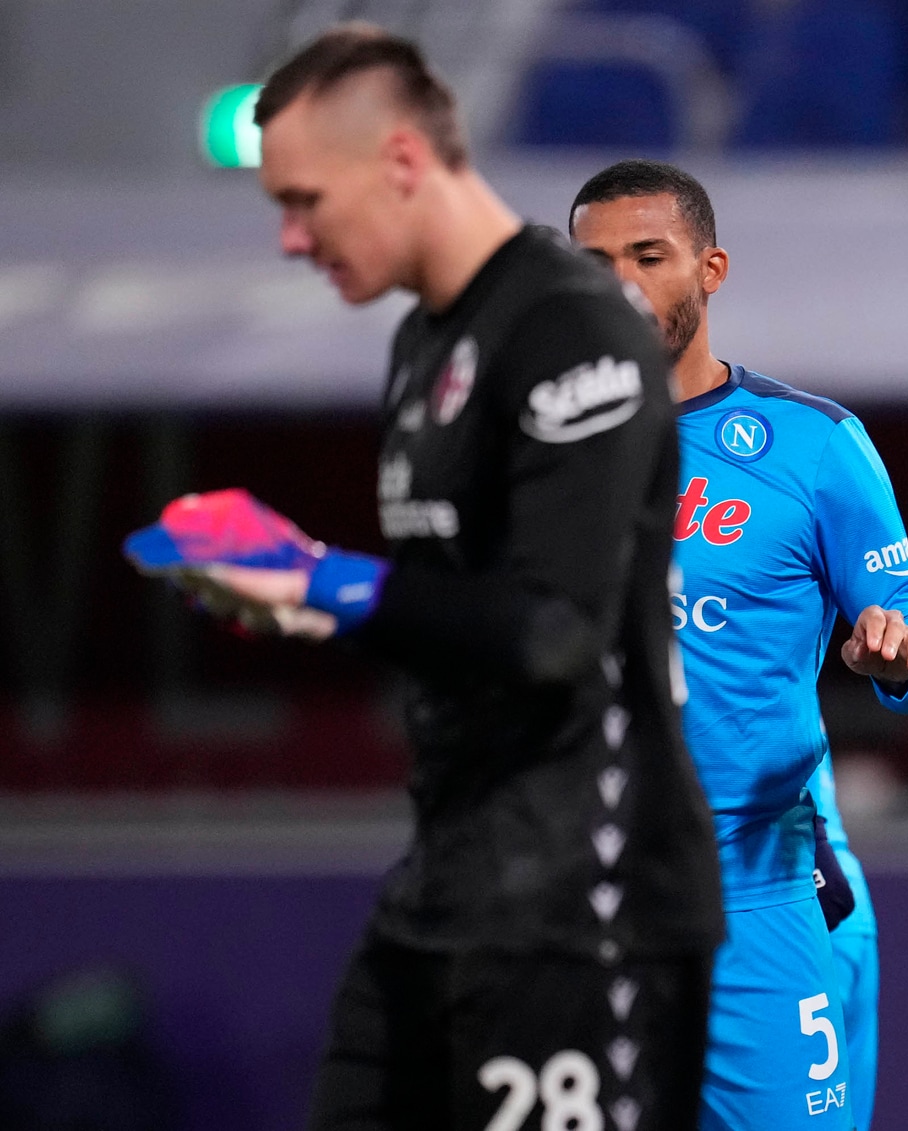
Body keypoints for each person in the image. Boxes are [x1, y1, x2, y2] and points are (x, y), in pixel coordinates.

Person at [173, 26, 725, 1130]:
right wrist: (298, 603)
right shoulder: (423, 344)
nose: (290, 239)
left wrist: (321, 580)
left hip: (583, 905)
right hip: (447, 882)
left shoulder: (573, 330)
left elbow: (552, 630)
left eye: (304, 201)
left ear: (401, 161)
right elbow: (450, 611)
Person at [570, 159, 908, 1131]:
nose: (620, 283)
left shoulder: (811, 444)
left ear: (711, 269)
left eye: (647, 256)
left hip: (760, 888)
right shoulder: (538, 456)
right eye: (595, 263)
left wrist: (895, 657)